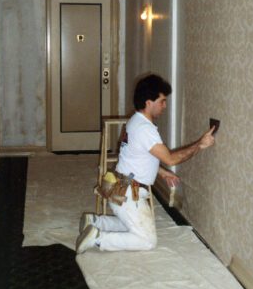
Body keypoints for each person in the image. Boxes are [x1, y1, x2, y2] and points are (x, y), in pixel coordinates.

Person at [76, 73, 215, 253]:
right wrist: (200, 145)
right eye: (162, 101)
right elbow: (171, 159)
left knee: (132, 225)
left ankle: (95, 222)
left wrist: (163, 173)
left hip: (119, 187)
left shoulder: (135, 121)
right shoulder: (145, 129)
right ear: (149, 102)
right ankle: (98, 238)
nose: (164, 106)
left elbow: (140, 157)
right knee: (147, 240)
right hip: (127, 193)